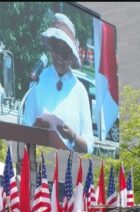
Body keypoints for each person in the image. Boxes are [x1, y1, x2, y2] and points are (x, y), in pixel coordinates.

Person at [19, 13, 94, 154]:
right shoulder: (38, 79)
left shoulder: (79, 90)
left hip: (67, 168)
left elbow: (89, 146)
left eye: (64, 53)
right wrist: (35, 128)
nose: (59, 57)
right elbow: (25, 127)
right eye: (55, 50)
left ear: (72, 56)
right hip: (37, 161)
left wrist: (71, 136)